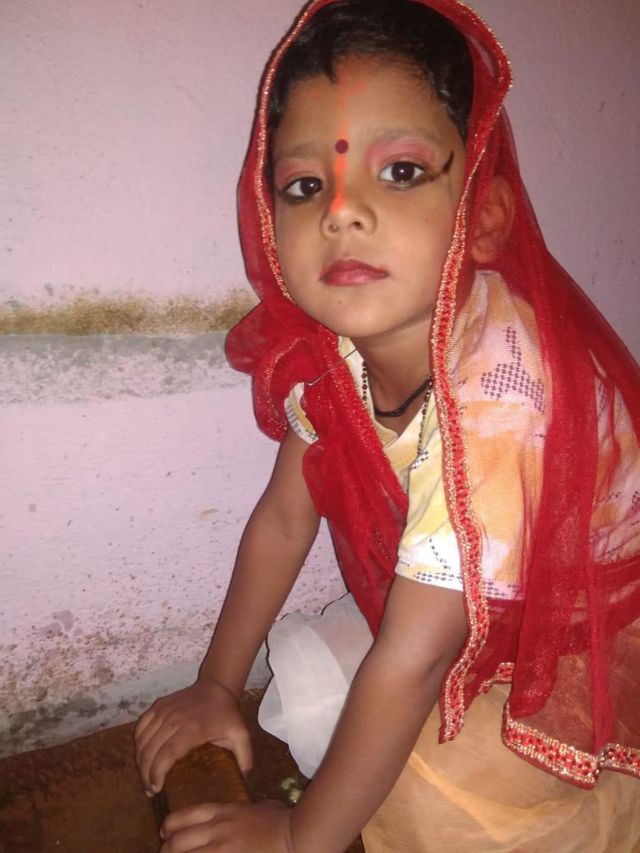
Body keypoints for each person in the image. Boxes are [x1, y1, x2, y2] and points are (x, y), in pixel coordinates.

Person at [134, 1, 640, 850]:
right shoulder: (335, 347)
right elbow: (285, 516)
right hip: (463, 612)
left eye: (400, 171)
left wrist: (298, 837)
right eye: (304, 186)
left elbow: (416, 657)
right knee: (316, 690)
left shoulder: (502, 401)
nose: (341, 213)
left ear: (484, 215)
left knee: (429, 797)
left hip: (583, 640)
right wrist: (217, 684)